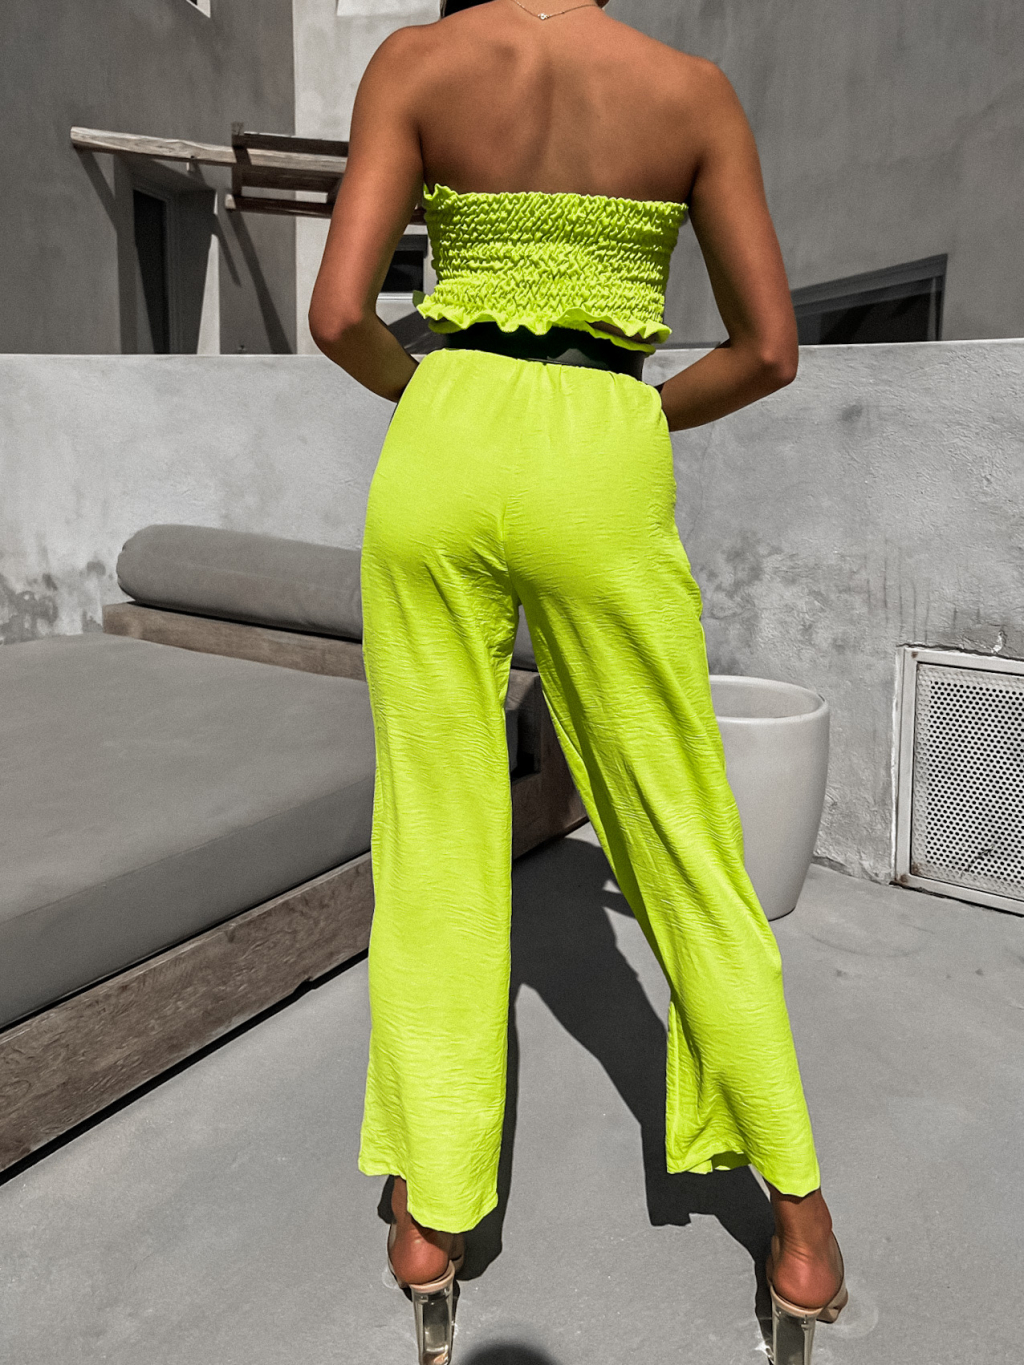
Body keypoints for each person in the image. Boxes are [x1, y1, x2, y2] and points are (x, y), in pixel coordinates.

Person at [309, 1, 847, 1361]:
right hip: (603, 448)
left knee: (435, 838)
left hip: (442, 444)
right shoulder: (691, 90)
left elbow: (339, 315)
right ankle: (801, 1229)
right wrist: (630, 411)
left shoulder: (416, 62)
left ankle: (429, 1219)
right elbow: (770, 348)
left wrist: (440, 402)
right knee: (681, 831)